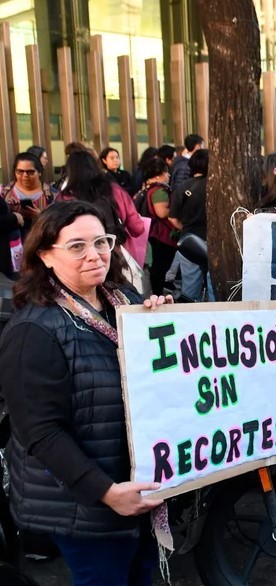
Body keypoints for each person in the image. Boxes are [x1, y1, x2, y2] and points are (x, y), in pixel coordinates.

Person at [0, 201, 171, 584]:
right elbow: (40, 433)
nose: (94, 254)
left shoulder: (121, 301)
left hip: (136, 490)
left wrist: (164, 323)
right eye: (76, 246)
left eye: (101, 242)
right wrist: (106, 492)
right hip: (85, 505)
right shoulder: (34, 331)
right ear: (45, 255)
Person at [57, 152, 145, 266]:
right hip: (116, 253)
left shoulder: (64, 197)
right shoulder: (116, 191)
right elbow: (137, 227)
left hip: (80, 259)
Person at [169, 149, 212, 301]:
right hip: (214, 243)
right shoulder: (215, 186)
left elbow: (172, 218)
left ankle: (190, 321)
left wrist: (187, 229)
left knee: (190, 288)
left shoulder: (182, 186)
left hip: (189, 243)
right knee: (214, 286)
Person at [3, 153, 53, 274]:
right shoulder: (4, 193)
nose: (24, 175)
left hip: (42, 252)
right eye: (20, 171)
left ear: (39, 172)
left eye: (30, 172)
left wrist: (40, 216)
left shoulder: (52, 195)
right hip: (9, 254)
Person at [133, 157, 176, 295]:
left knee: (155, 268)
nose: (168, 175)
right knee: (159, 268)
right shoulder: (159, 191)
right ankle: (157, 294)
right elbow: (162, 212)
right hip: (160, 235)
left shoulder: (145, 189)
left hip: (149, 233)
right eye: (166, 172)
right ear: (158, 175)